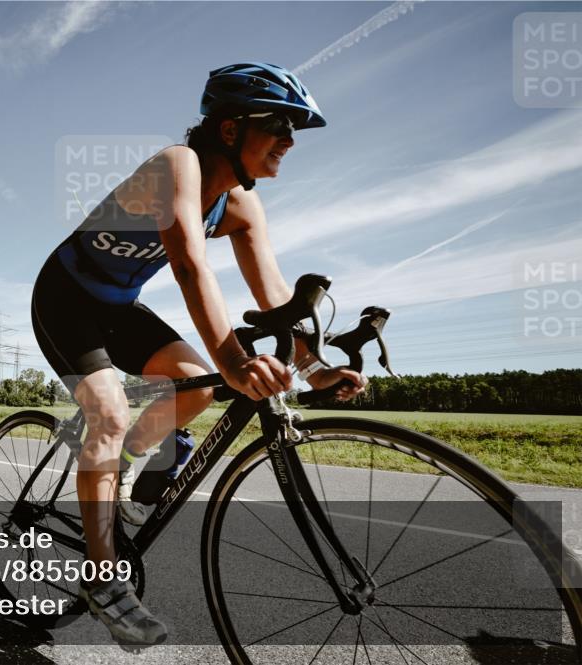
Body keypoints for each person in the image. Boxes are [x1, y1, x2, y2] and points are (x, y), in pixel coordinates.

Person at [31, 62, 368, 647]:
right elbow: (190, 265)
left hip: (117, 305)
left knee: (200, 384)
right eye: (281, 125)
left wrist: (314, 369)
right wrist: (237, 359)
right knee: (110, 413)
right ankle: (101, 579)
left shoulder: (240, 206)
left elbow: (276, 299)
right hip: (66, 296)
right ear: (232, 129)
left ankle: (129, 471)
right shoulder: (176, 165)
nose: (291, 141)